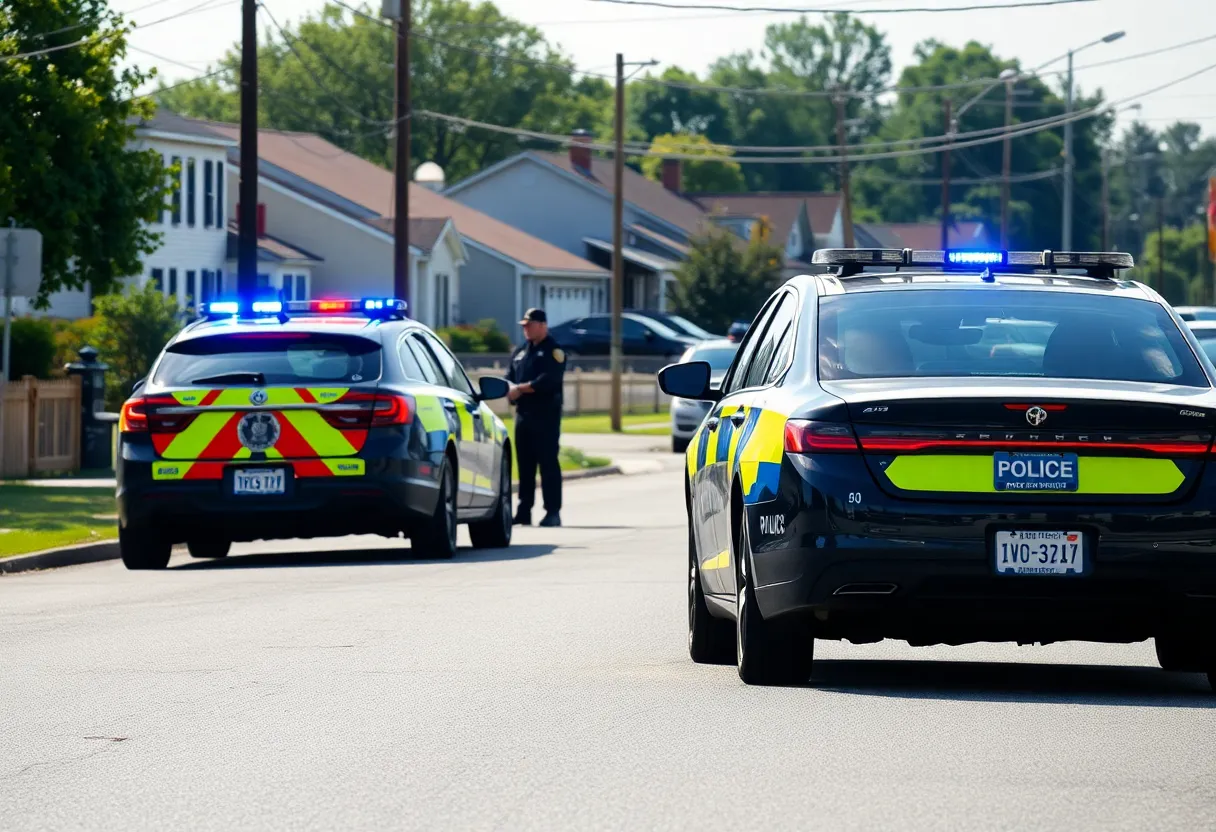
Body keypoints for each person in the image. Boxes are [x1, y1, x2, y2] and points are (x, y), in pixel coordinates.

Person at [506, 308, 567, 527]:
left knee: (548, 463)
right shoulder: (521, 351)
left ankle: (552, 511)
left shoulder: (554, 351)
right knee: (525, 465)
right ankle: (524, 510)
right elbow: (509, 376)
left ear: (542, 325)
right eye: (524, 326)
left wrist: (521, 389)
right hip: (523, 415)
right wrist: (512, 391)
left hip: (546, 417)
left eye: (529, 325)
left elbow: (548, 380)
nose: (526, 329)